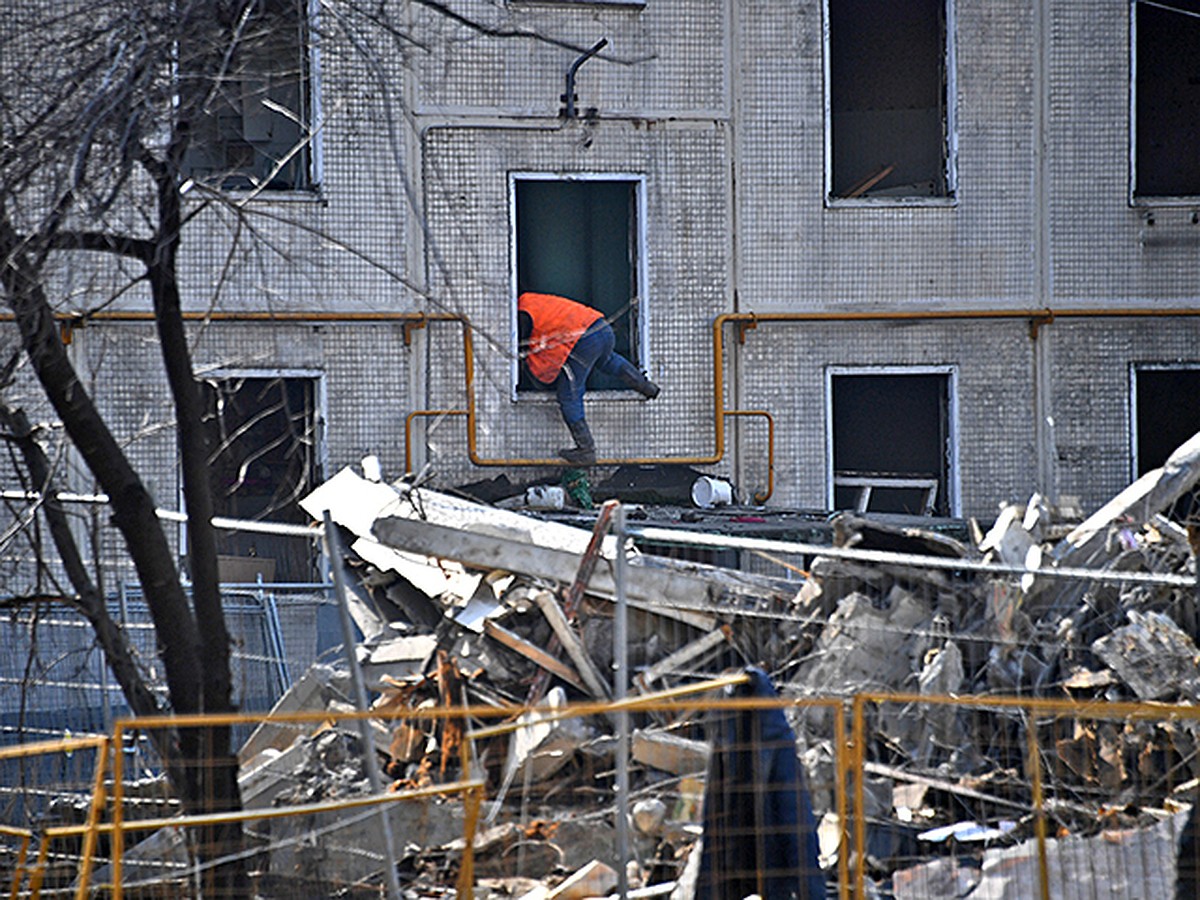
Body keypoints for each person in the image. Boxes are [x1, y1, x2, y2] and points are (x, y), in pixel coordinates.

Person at [517, 291, 660, 465]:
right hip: (601, 327)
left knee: (569, 394)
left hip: (583, 338)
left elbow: (523, 345)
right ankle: (645, 386)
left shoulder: (522, 313)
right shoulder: (532, 302)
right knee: (608, 361)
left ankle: (586, 449)